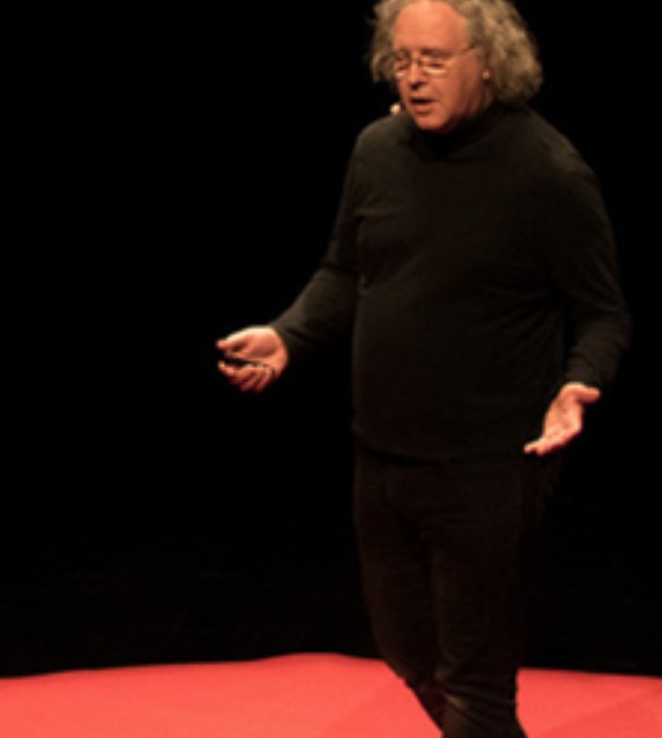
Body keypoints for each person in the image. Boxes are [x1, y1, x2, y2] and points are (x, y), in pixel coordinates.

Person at [216, 1, 630, 736]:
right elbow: (346, 270)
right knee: (406, 650)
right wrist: (288, 336)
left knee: (474, 683)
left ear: (488, 63)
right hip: (381, 457)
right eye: (402, 60)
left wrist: (576, 384)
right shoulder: (377, 149)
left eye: (433, 60)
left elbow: (602, 312)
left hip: (488, 469)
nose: (412, 77)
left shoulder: (548, 173)